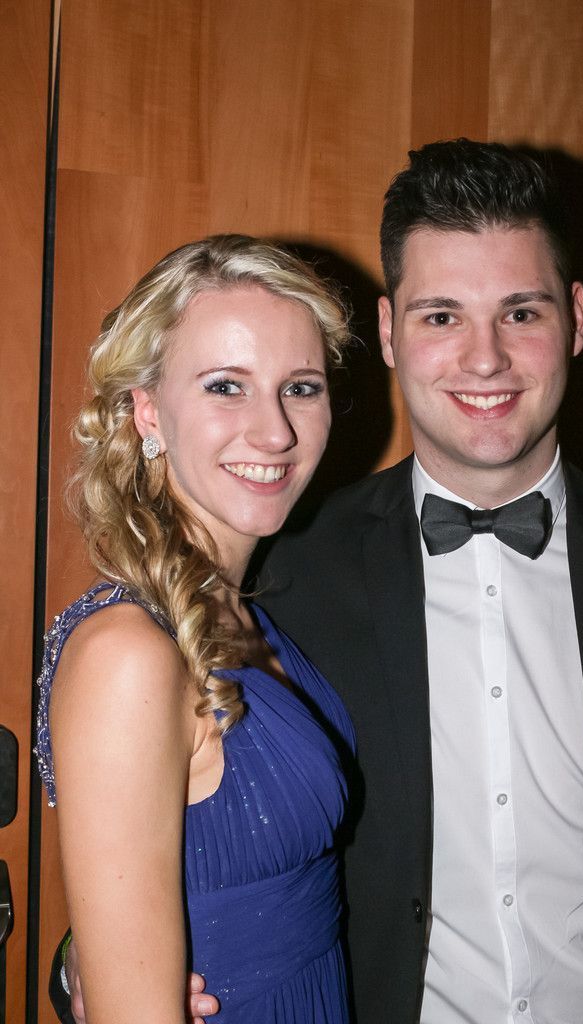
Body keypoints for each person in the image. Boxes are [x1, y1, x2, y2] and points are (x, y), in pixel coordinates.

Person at [56, 141, 583, 1024]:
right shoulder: (286, 572)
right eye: (441, 316)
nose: (485, 359)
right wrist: (88, 971)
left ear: (576, 319)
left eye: (521, 312)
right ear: (388, 333)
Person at [37, 234, 356, 1024]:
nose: (275, 432)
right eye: (226, 386)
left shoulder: (248, 612)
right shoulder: (127, 655)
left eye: (301, 387)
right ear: (147, 409)